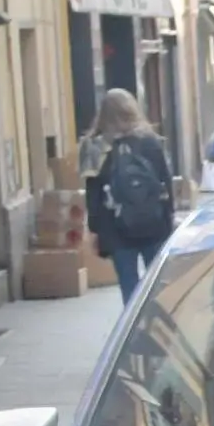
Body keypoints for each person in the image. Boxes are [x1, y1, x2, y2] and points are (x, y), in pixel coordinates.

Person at [83, 89, 177, 302]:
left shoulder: (95, 147)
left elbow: (93, 193)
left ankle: (134, 330)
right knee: (156, 283)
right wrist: (169, 215)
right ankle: (156, 325)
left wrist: (95, 229)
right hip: (153, 222)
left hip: (115, 227)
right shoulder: (150, 141)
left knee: (129, 285)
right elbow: (165, 180)